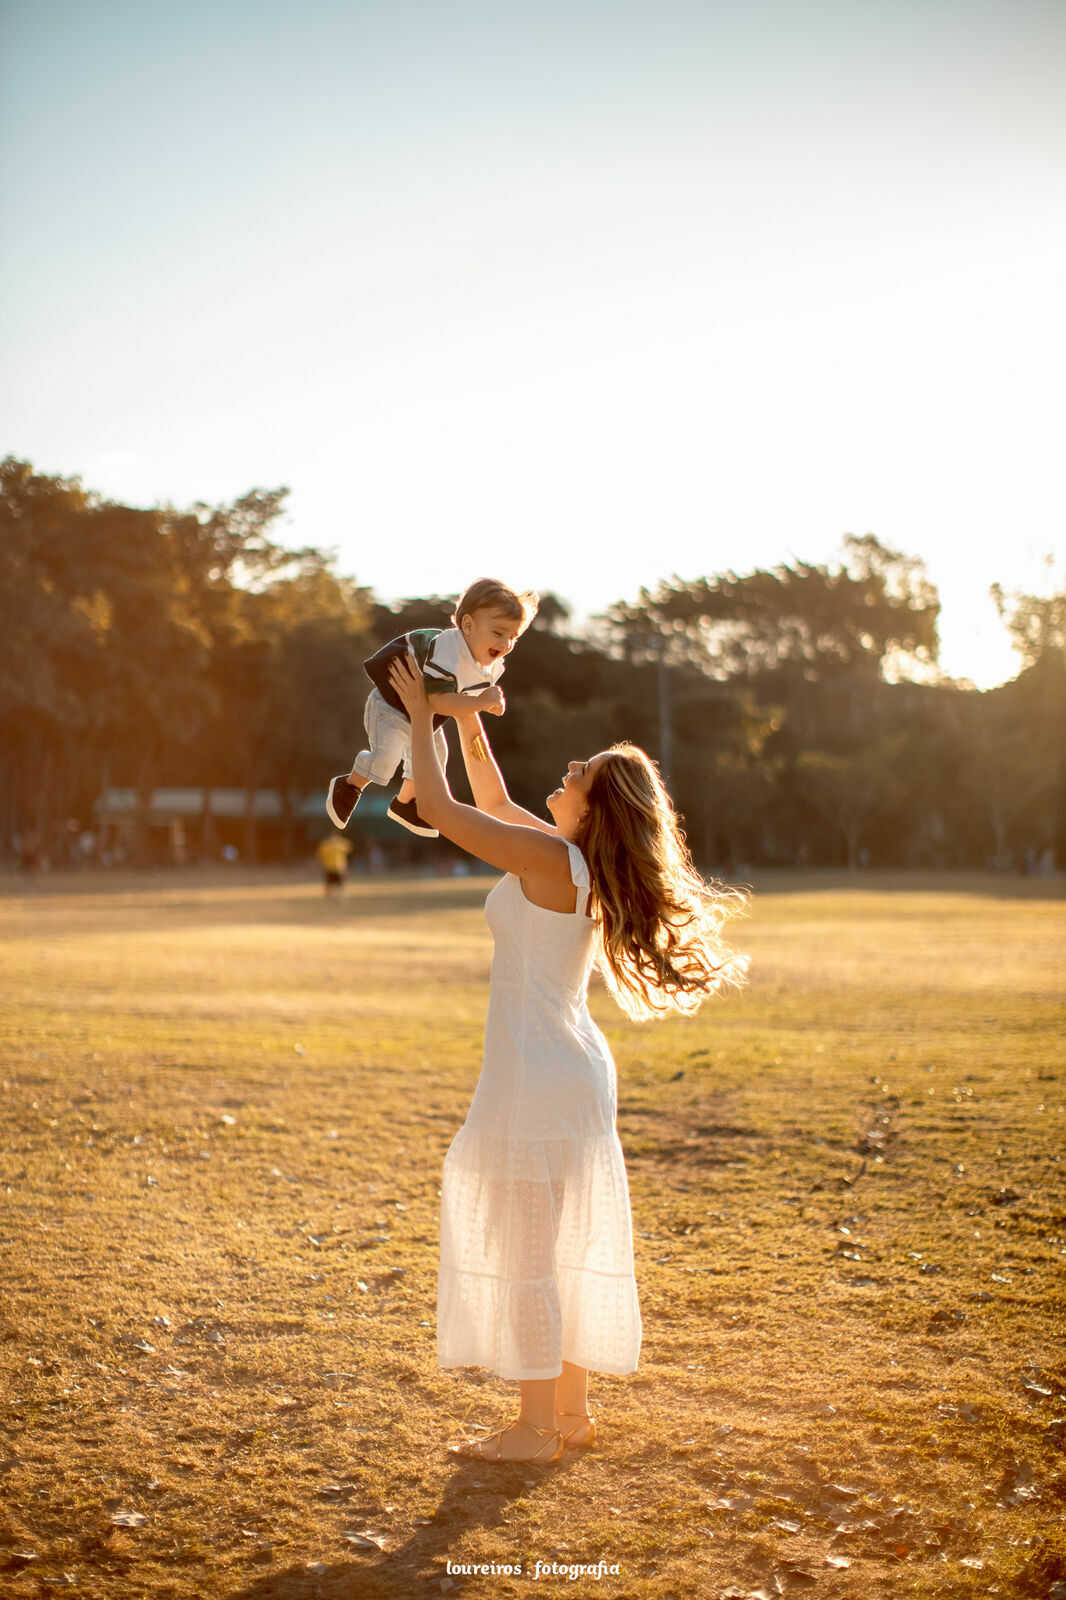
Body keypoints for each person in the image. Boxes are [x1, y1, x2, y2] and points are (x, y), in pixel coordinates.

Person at [387, 651, 749, 1465]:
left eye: (579, 772)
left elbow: (444, 808)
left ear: (592, 809)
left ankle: (532, 1431)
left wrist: (418, 712)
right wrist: (464, 706)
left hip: (541, 1075)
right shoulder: (566, 860)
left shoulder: (556, 863)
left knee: (530, 1250)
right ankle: (571, 1416)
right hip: (569, 1069)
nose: (566, 770)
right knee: (563, 1243)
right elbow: (489, 796)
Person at [325, 579, 539, 839]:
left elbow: (462, 704)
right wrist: (480, 703)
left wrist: (488, 702)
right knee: (386, 757)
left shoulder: (490, 665)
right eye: (498, 633)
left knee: (435, 759)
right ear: (468, 626)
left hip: (424, 717)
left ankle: (405, 803)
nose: (506, 644)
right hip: (391, 705)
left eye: (513, 637)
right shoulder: (450, 647)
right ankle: (349, 786)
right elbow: (440, 700)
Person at [316, 831, 352, 898]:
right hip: (329, 867)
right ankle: (329, 895)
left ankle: (340, 894)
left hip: (339, 866)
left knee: (340, 882)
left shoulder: (341, 844)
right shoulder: (326, 845)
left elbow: (349, 848)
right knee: (329, 882)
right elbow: (320, 856)